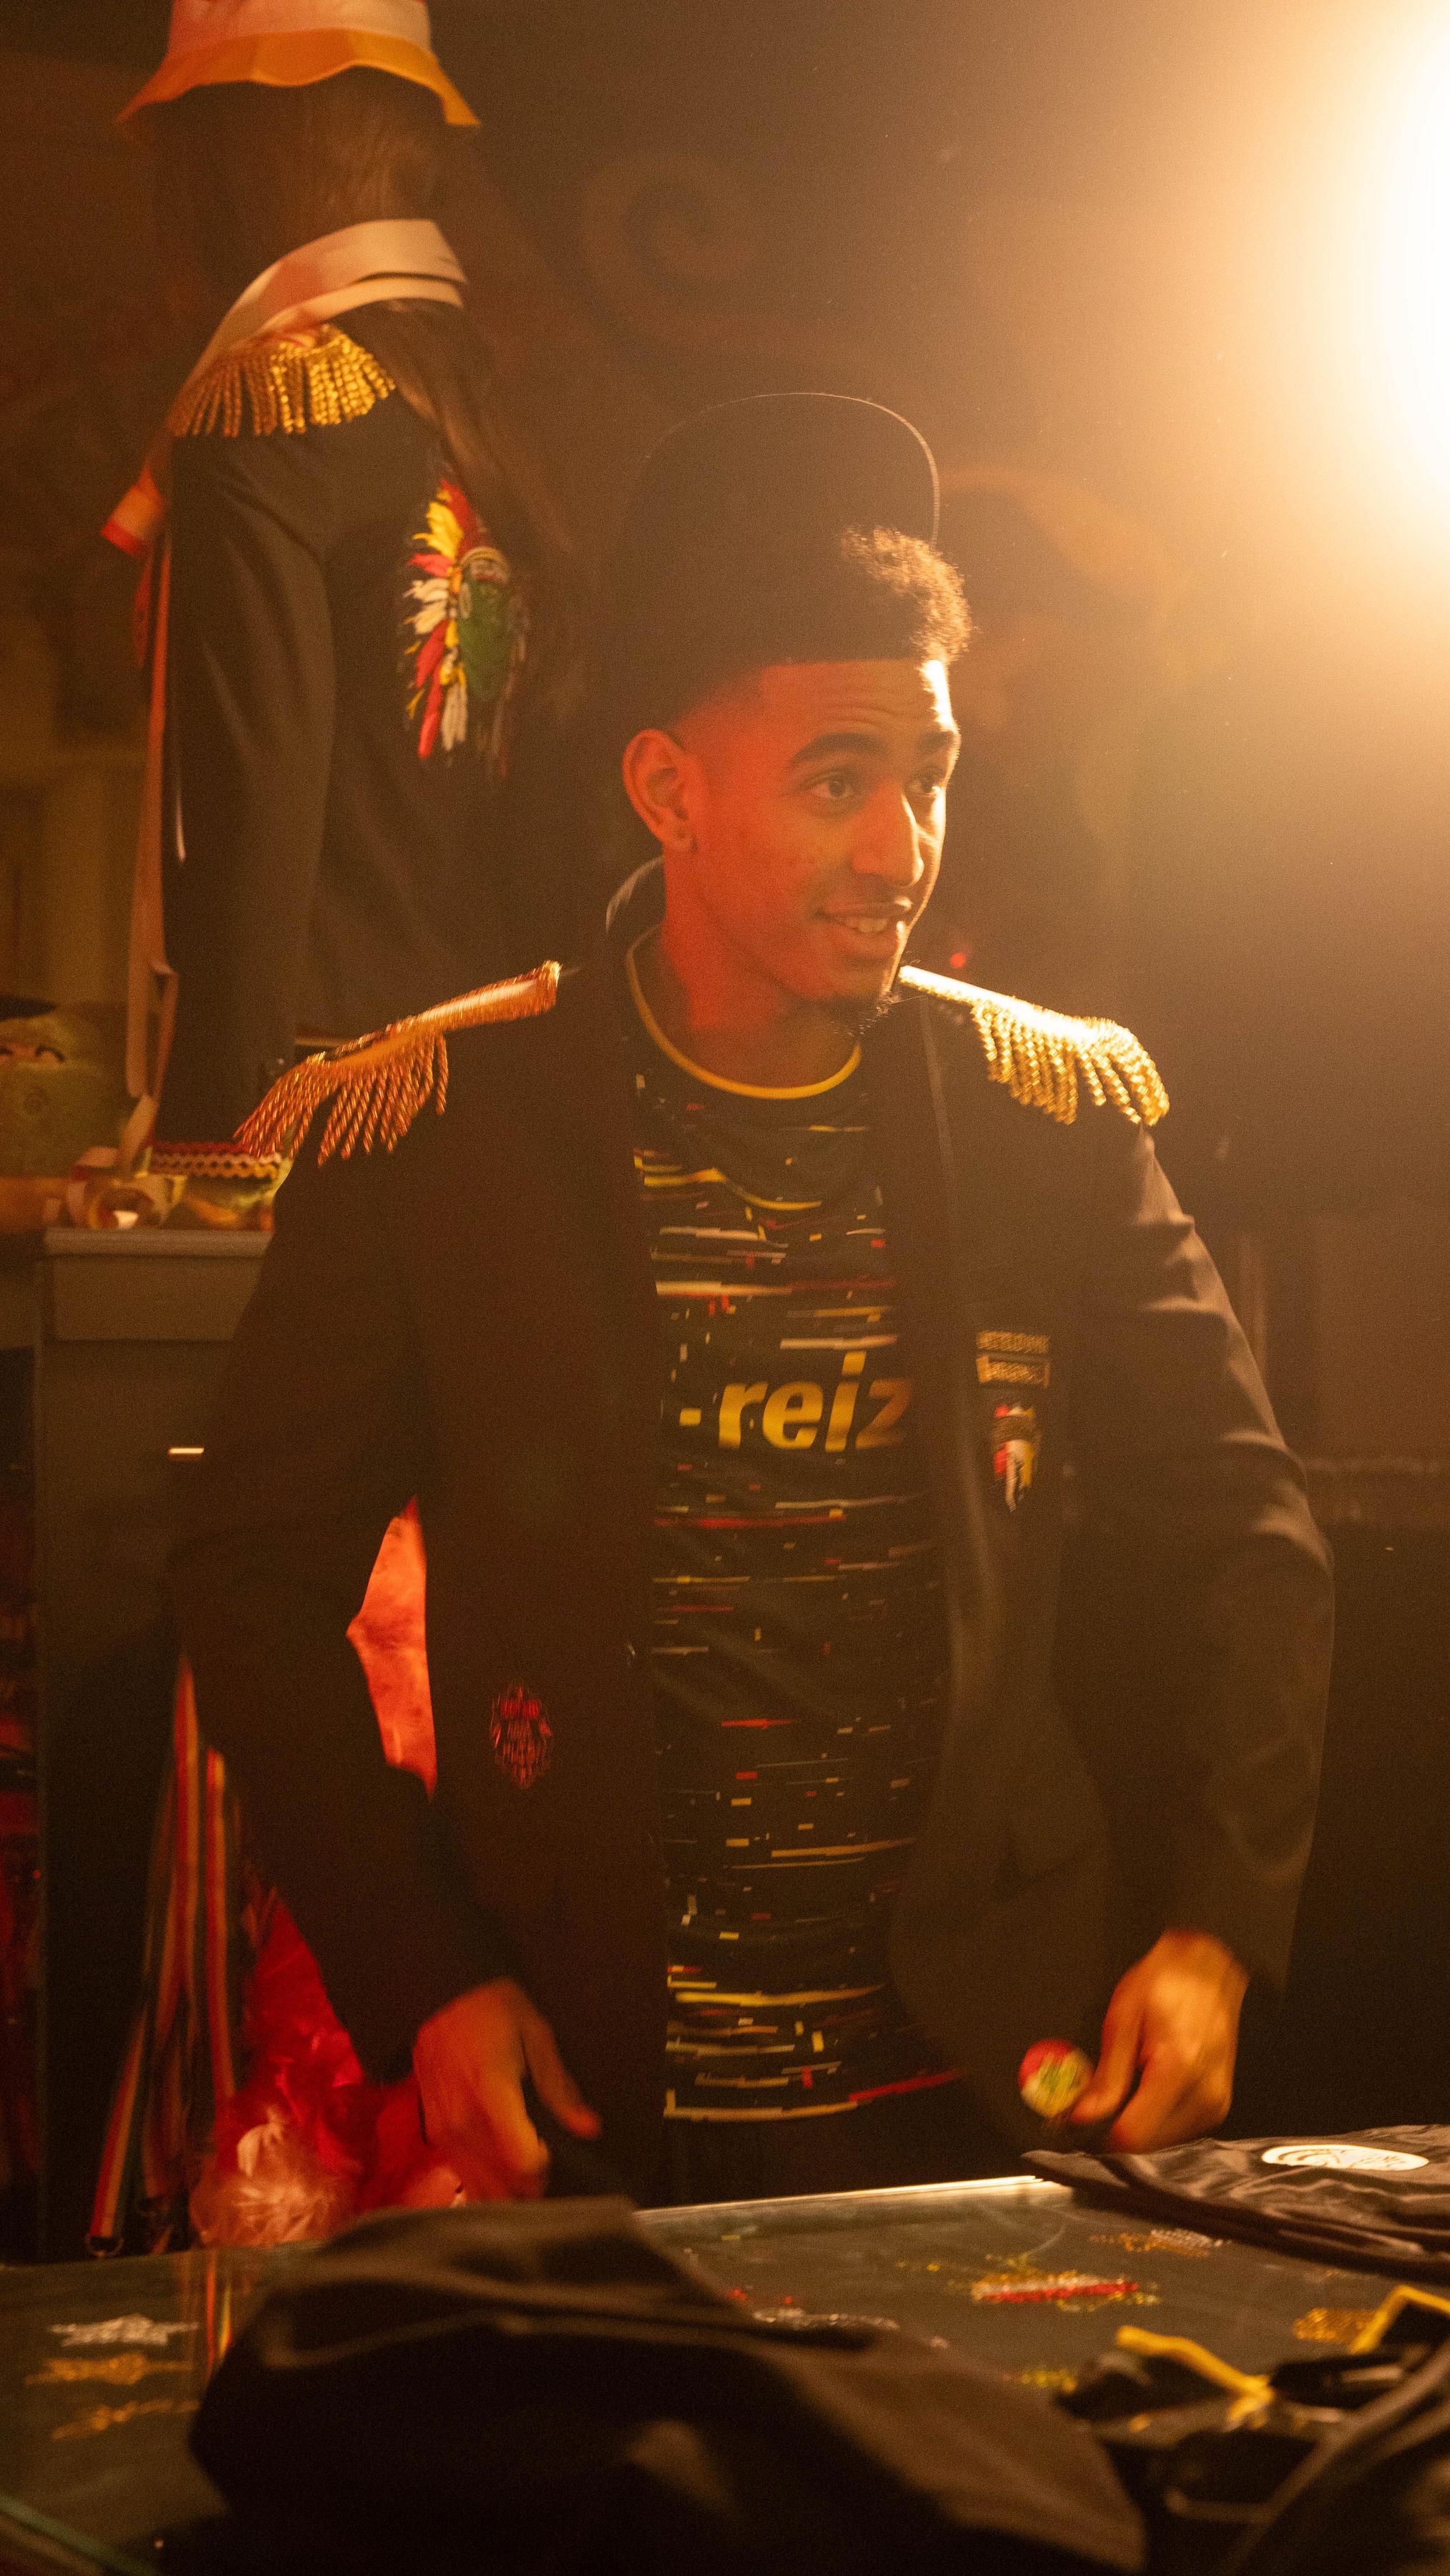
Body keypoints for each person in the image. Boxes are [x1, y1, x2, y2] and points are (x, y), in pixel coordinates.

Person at [172, 394, 1333, 2207]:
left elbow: (1245, 1541)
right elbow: (251, 1582)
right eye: (831, 781)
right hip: (595, 2087)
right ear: (668, 791)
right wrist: (426, 1976)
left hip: (991, 2089)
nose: (899, 847)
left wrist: (1213, 1928)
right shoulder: (439, 1129)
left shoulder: (1043, 1116)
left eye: (926, 776)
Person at [106, 0, 579, 1184]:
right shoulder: (467, 412)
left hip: (310, 1110)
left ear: (225, 160)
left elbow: (251, 805)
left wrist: (211, 1148)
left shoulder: (268, 399)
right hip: (478, 1088)